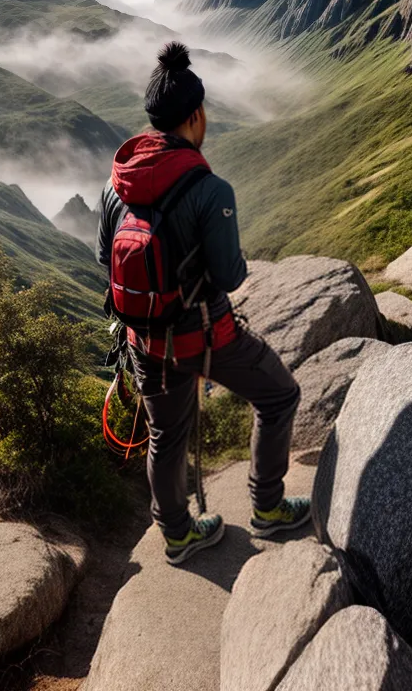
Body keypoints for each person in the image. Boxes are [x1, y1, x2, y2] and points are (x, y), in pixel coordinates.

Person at [97, 41, 309, 565]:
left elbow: (106, 253)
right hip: (204, 337)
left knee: (166, 435)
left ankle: (177, 535)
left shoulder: (115, 182)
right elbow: (230, 277)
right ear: (195, 116)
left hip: (143, 340)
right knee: (279, 396)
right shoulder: (210, 189)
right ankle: (268, 506)